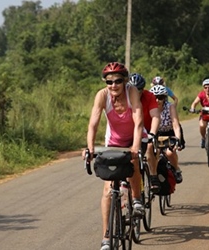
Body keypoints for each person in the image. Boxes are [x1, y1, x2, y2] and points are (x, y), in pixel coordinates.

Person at [82, 62, 145, 250]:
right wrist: (90, 148)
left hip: (133, 138)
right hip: (113, 141)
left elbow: (139, 120)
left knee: (133, 164)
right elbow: (93, 124)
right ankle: (106, 237)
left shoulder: (131, 91)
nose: (113, 85)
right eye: (109, 81)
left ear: (124, 80)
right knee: (108, 190)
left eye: (118, 81)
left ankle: (136, 199)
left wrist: (135, 146)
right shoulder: (102, 95)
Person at [128, 73, 161, 192]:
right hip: (130, 130)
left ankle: (153, 176)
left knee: (149, 146)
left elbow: (156, 116)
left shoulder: (149, 96)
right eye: (133, 89)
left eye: (139, 89)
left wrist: (152, 133)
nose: (136, 92)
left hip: (147, 129)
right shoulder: (124, 96)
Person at [149, 85, 184, 183]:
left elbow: (176, 125)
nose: (157, 100)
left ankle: (176, 169)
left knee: (169, 152)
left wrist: (177, 139)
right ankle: (153, 176)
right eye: (155, 97)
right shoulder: (148, 107)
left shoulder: (170, 107)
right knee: (153, 154)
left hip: (169, 132)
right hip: (155, 132)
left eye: (160, 97)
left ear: (164, 98)